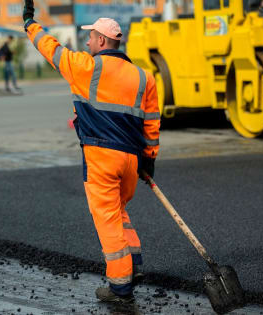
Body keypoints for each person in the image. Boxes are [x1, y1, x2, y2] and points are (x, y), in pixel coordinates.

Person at [23, 0, 160, 304]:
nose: (86, 42)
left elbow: (50, 48)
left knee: (107, 220)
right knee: (119, 211)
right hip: (131, 160)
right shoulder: (143, 77)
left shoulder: (86, 67)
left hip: (101, 158)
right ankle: (133, 265)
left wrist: (30, 23)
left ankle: (120, 286)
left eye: (89, 38)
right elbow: (151, 124)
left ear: (101, 40)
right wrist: (149, 161)